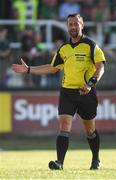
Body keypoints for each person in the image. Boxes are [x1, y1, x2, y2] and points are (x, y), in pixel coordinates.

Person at [12, 13, 106, 170]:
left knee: (90, 130)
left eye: (76, 23)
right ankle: (59, 163)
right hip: (67, 92)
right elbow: (52, 67)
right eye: (70, 24)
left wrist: (90, 84)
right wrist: (29, 69)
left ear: (82, 25)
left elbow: (100, 67)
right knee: (64, 124)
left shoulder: (91, 45)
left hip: (86, 92)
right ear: (67, 26)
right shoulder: (64, 49)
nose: (73, 26)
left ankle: (96, 159)